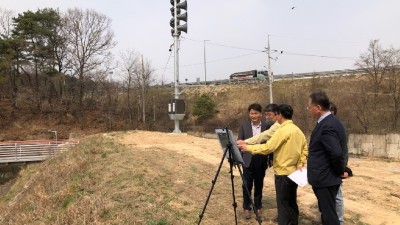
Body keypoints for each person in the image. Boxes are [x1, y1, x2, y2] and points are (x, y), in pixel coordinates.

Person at [238, 104, 308, 225]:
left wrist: (248, 147)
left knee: (283, 204)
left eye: (275, 114)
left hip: (283, 173)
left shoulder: (281, 130)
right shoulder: (297, 130)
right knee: (292, 202)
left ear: (279, 115)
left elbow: (268, 147)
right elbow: (305, 148)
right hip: (295, 173)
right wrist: (301, 163)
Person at [307, 91, 346, 225]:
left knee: (329, 216)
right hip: (326, 178)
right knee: (327, 213)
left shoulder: (328, 125)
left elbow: (336, 153)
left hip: (325, 179)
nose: (309, 110)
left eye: (309, 106)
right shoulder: (331, 121)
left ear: (318, 108)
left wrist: (339, 171)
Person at [237, 103, 271, 220]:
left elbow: (270, 143)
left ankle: (258, 207)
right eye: (252, 113)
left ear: (260, 114)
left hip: (261, 158)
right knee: (246, 184)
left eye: (256, 113)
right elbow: (239, 142)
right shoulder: (244, 125)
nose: (254, 115)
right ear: (249, 114)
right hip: (247, 158)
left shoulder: (266, 126)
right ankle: (246, 207)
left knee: (259, 184)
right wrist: (238, 158)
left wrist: (270, 158)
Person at [329, 102, 352, 225]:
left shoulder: (339, 126)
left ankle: (339, 221)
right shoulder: (324, 124)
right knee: (330, 195)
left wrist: (343, 167)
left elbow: (342, 150)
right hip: (328, 166)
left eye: (330, 111)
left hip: (336, 166)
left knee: (337, 194)